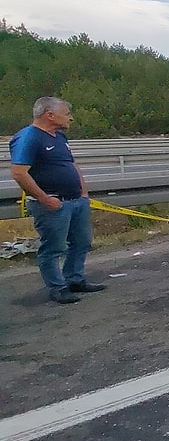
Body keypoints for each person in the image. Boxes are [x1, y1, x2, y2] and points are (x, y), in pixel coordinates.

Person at [9, 97, 106, 304]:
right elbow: (19, 173)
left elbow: (71, 164)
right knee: (53, 247)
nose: (70, 118)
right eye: (67, 113)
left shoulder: (60, 137)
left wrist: (83, 192)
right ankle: (57, 288)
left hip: (75, 201)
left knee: (81, 242)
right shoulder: (29, 137)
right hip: (52, 204)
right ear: (49, 115)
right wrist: (44, 199)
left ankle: (74, 279)